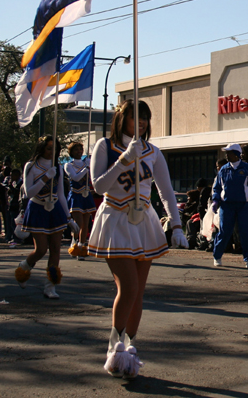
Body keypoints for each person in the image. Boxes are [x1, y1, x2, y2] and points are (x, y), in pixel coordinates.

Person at [88, 100, 188, 379]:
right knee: (129, 287)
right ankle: (114, 347)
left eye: (145, 117)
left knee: (138, 292)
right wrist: (124, 159)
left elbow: (165, 191)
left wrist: (177, 226)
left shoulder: (153, 152)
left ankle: (129, 351)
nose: (141, 122)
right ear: (122, 119)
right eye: (135, 117)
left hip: (144, 221)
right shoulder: (105, 147)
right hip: (115, 219)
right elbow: (98, 186)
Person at [14, 136, 70, 299]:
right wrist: (45, 177)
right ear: (41, 148)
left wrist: (69, 217)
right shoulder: (31, 166)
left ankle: (50, 286)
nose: (52, 152)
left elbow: (61, 194)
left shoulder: (58, 167)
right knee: (41, 249)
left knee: (56, 249)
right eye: (49, 148)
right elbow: (28, 192)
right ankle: (24, 267)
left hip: (55, 209)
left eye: (55, 149)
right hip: (38, 208)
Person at [211, 143, 248, 268]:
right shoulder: (224, 169)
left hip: (244, 205)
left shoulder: (247, 169)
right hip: (227, 205)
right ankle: (217, 256)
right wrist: (215, 201)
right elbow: (217, 188)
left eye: (229, 152)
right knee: (224, 232)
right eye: (226, 153)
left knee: (245, 232)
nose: (227, 155)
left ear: (237, 154)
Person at [65, 142, 96, 260]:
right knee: (78, 223)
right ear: (71, 152)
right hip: (76, 195)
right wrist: (86, 168)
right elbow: (76, 177)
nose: (79, 152)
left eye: (80, 149)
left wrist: (91, 165)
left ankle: (81, 246)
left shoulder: (86, 162)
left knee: (86, 223)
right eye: (76, 150)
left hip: (86, 195)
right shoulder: (68, 165)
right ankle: (74, 241)